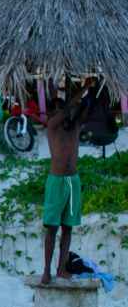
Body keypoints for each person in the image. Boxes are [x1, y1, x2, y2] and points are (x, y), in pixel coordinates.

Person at [40, 80, 95, 285]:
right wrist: (83, 88)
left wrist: (91, 92)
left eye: (63, 109)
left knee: (68, 227)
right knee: (52, 228)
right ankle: (46, 270)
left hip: (73, 182)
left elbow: (82, 108)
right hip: (56, 183)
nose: (62, 113)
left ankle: (61, 268)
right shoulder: (53, 126)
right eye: (58, 110)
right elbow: (71, 106)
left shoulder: (75, 126)